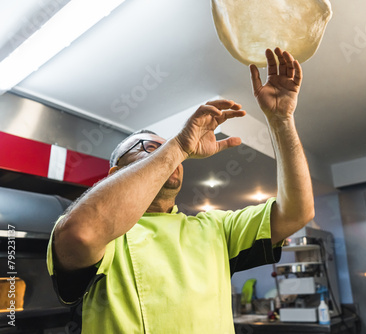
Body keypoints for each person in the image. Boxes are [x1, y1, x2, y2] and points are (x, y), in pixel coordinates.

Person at [47, 48, 314, 333]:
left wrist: (281, 121)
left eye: (166, 149)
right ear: (115, 174)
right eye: (150, 149)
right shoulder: (111, 237)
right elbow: (81, 234)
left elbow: (297, 213)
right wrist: (178, 146)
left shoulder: (215, 227)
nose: (166, 155)